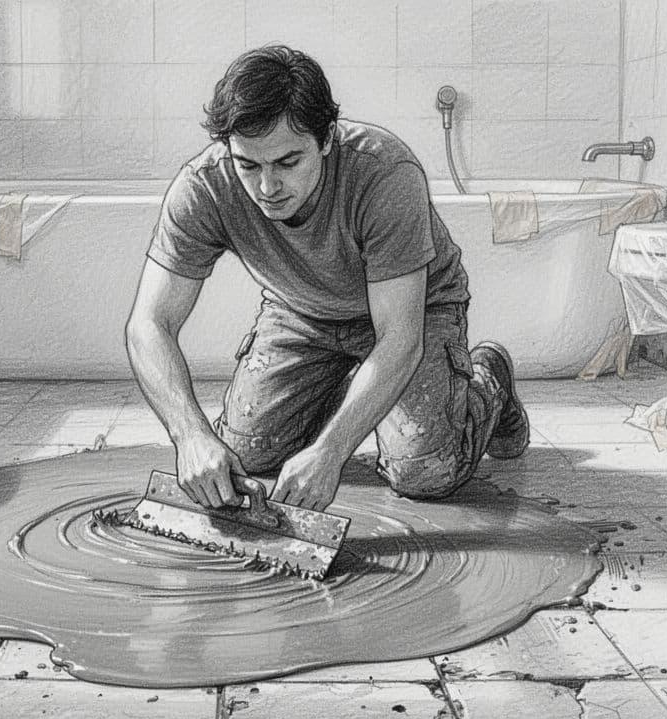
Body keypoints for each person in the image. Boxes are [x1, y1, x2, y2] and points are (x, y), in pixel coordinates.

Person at [125, 45, 529, 513]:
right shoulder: (203, 187)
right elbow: (148, 325)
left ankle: (489, 378)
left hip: (414, 312)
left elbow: (399, 338)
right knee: (250, 453)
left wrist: (332, 451)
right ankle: (338, 388)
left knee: (423, 471)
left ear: (327, 138)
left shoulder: (385, 175)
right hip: (300, 314)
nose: (267, 188)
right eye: (248, 165)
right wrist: (189, 435)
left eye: (288, 162)